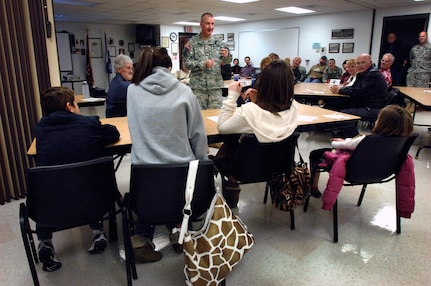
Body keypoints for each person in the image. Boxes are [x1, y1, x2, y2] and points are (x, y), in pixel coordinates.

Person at [127, 47, 208, 262]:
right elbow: (197, 133)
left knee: (150, 186)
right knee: (182, 188)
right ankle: (180, 233)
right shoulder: (185, 92)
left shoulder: (132, 91)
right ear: (169, 67)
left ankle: (140, 241)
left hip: (145, 173)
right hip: (181, 173)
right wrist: (203, 163)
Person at [34, 86, 120, 272]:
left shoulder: (40, 131)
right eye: (75, 103)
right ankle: (98, 232)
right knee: (89, 180)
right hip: (95, 201)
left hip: (52, 207)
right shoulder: (88, 125)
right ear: (69, 107)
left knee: (46, 188)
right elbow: (113, 133)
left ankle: (45, 243)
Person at [213, 60, 299, 208]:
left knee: (229, 143)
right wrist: (259, 100)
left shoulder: (249, 112)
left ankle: (230, 190)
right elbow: (272, 113)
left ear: (263, 84)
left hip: (243, 169)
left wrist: (232, 96)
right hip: (278, 168)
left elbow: (222, 127)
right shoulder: (294, 110)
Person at [309, 104, 414, 201]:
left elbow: (342, 145)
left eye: (378, 119)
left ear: (383, 124)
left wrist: (335, 142)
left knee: (316, 154)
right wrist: (347, 142)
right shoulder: (401, 143)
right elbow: (353, 143)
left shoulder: (367, 140)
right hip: (383, 172)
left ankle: (313, 188)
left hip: (352, 172)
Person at [329, 53, 388, 137]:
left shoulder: (373, 75)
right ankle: (342, 132)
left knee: (343, 115)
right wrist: (341, 90)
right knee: (337, 105)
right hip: (363, 103)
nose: (360, 65)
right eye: (358, 63)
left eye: (363, 62)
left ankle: (354, 139)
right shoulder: (363, 74)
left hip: (372, 108)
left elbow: (358, 91)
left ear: (370, 63)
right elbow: (354, 88)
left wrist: (340, 90)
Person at [183, 12, 231, 110]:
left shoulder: (219, 43)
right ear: (201, 24)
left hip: (215, 88)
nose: (210, 27)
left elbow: (227, 61)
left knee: (215, 117)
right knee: (198, 117)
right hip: (198, 88)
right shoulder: (192, 43)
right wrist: (203, 64)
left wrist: (226, 56)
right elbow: (187, 64)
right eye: (207, 23)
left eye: (212, 24)